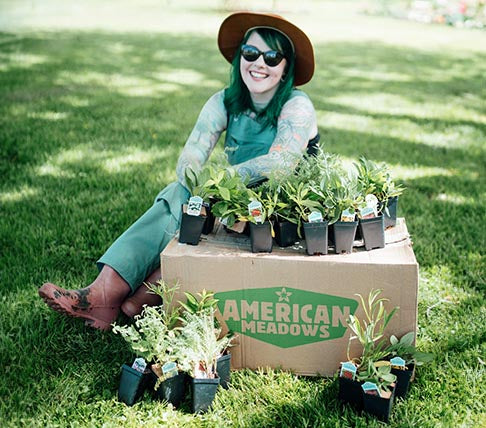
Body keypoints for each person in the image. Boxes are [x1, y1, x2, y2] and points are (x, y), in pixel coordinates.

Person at [38, 11, 319, 331]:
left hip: (280, 211)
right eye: (250, 53)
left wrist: (216, 185)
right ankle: (105, 292)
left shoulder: (297, 106)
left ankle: (133, 298)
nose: (259, 64)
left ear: (285, 69)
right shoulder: (224, 102)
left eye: (272, 57)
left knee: (194, 208)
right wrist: (197, 186)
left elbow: (279, 165)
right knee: (179, 193)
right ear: (240, 57)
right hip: (231, 198)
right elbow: (190, 158)